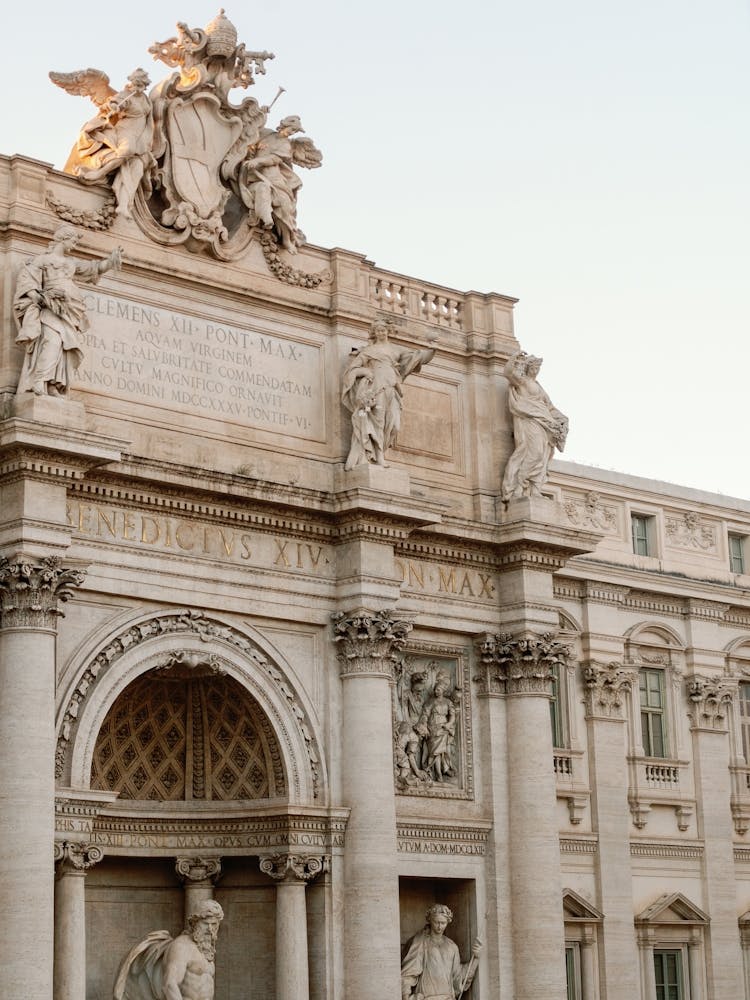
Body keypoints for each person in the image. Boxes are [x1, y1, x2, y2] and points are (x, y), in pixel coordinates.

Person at [13, 226, 122, 397]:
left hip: (70, 312)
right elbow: (26, 280)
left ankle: (53, 385)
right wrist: (43, 297)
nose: (74, 245)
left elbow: (94, 268)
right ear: (63, 239)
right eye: (72, 241)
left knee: (64, 347)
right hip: (51, 308)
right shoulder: (42, 260)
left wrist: (111, 261)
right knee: (52, 342)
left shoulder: (71, 263)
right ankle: (39, 380)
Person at [342, 320, 435, 470]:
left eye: (383, 330)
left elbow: (417, 357)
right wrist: (365, 371)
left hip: (392, 389)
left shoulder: (395, 350)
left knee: (394, 426)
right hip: (377, 388)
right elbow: (352, 371)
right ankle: (378, 457)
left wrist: (432, 349)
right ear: (374, 333)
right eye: (378, 330)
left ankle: (381, 453)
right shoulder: (368, 351)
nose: (381, 333)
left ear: (387, 331)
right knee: (378, 423)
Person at [62, 69, 154, 219]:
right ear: (132, 82)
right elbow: (112, 103)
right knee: (127, 150)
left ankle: (124, 204)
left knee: (137, 164)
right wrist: (113, 106)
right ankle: (99, 173)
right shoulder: (125, 95)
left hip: (140, 136)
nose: (139, 85)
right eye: (136, 82)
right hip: (125, 131)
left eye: (142, 83)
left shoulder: (145, 99)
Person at [113, 898, 224, 1000]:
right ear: (194, 923)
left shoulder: (207, 950)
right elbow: (169, 985)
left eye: (214, 924)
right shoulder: (181, 946)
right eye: (205, 924)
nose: (210, 929)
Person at [500, 350, 568, 502]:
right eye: (534, 367)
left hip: (544, 422)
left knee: (543, 455)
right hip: (530, 420)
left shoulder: (538, 386)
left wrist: (562, 419)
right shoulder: (522, 381)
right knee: (534, 452)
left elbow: (549, 407)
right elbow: (508, 373)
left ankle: (534, 489)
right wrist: (514, 357)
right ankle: (519, 486)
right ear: (527, 367)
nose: (536, 371)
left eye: (538, 368)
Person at [401, 903, 481, 1000]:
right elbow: (408, 974)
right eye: (436, 922)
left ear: (448, 922)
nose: (440, 926)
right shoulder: (421, 941)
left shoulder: (452, 946)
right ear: (430, 920)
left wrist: (476, 958)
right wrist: (406, 996)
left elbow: (458, 977)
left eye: (443, 923)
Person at [416, 673, 457, 781]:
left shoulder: (448, 702)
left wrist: (448, 724)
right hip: (433, 728)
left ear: (443, 690)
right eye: (435, 689)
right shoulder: (430, 702)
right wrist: (424, 725)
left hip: (444, 728)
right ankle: (438, 773)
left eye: (438, 689)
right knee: (435, 752)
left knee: (442, 752)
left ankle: (442, 770)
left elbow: (452, 716)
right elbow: (425, 715)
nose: (436, 691)